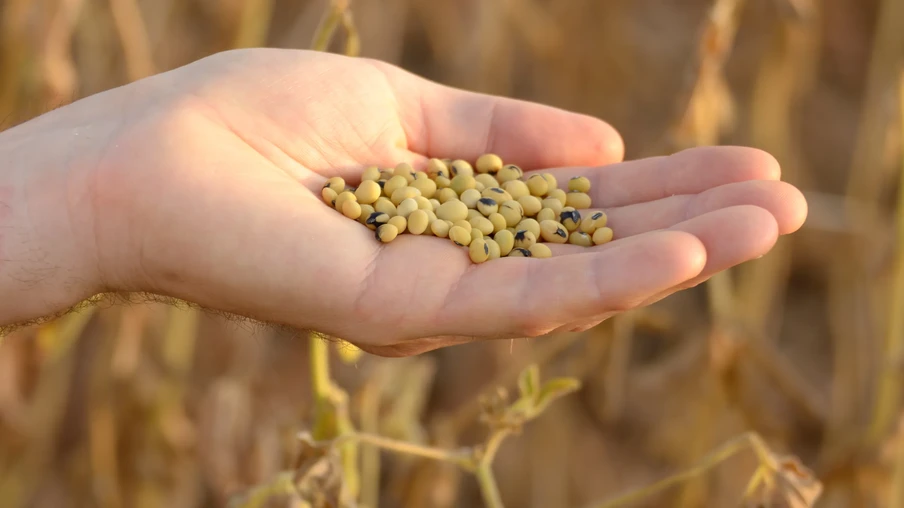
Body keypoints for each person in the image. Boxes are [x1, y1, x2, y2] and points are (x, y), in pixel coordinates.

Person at [0, 48, 807, 357]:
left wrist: (87, 188)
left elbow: (454, 206)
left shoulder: (459, 199)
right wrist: (93, 188)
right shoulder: (438, 199)